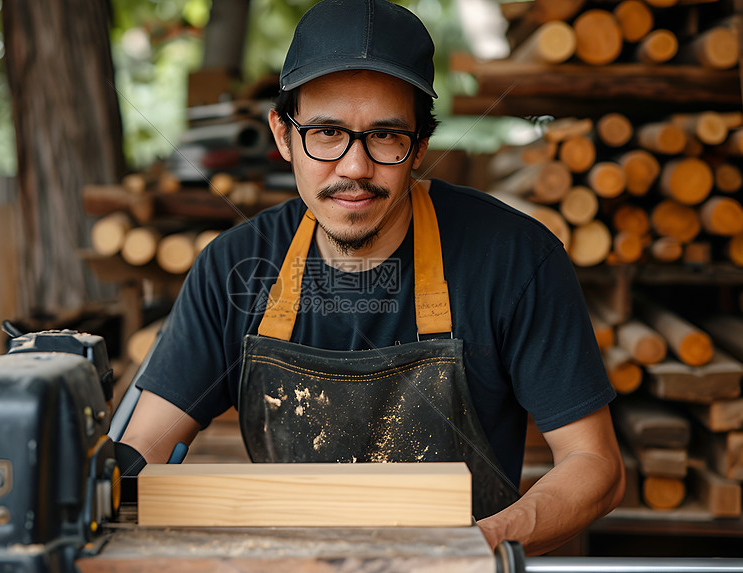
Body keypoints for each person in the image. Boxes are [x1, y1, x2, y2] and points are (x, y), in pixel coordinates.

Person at [120, 0, 625, 555]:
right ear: (283, 136)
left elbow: (594, 463)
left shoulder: (514, 259)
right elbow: (143, 449)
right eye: (328, 133)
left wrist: (479, 545)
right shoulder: (231, 267)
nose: (355, 167)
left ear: (420, 146)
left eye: (385, 136)